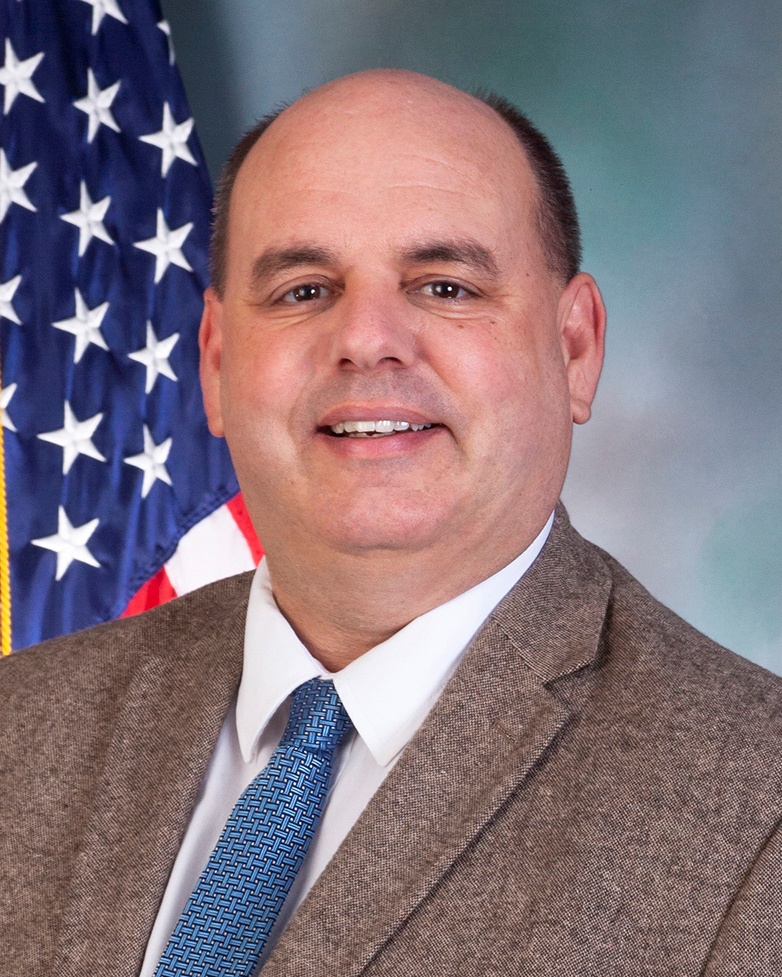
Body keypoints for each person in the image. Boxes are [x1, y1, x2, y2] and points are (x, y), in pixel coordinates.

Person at [1, 69, 781, 977]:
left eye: (445, 286)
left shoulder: (754, 812)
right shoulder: (22, 728)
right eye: (303, 290)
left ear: (575, 347)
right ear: (214, 364)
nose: (367, 339)